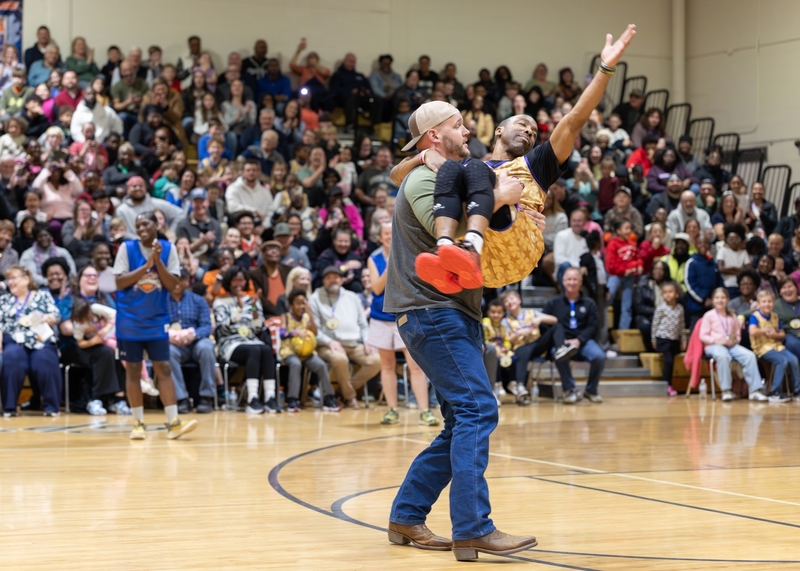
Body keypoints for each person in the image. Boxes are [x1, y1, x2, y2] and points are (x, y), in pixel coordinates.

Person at [384, 26, 635, 559]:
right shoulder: (432, 177)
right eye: (459, 124)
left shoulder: (482, 169)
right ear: (435, 136)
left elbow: (571, 122)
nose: (467, 128)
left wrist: (605, 69)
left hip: (457, 307)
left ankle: (406, 516)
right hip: (431, 308)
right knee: (479, 409)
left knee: (461, 419)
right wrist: (502, 200)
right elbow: (444, 225)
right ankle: (473, 527)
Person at [113, 211, 198, 440]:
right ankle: (138, 423)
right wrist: (146, 266)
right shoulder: (126, 248)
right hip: (129, 319)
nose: (142, 228)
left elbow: (172, 284)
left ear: (156, 224)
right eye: (138, 225)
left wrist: (157, 261)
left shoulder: (168, 249)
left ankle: (173, 422)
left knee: (164, 368)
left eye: (146, 224)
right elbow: (119, 282)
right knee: (133, 370)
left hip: (156, 319)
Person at [367, 221, 437, 426]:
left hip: (404, 315)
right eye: (386, 233)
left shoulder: (407, 252)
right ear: (380, 237)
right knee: (387, 366)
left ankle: (425, 411)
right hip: (381, 317)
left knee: (415, 365)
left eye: (392, 232)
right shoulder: (373, 259)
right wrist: (390, 263)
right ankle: (392, 410)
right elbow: (376, 289)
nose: (390, 236)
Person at [310, 265, 381, 409]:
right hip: (328, 345)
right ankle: (350, 397)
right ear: (323, 281)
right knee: (340, 359)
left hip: (354, 344)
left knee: (377, 360)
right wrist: (329, 341)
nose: (332, 280)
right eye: (328, 278)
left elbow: (363, 324)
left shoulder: (352, 297)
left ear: (342, 280)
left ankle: (342, 392)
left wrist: (367, 340)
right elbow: (314, 329)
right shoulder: (315, 298)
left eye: (336, 277)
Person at [213, 265, 279, 413]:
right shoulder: (220, 301)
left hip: (250, 340)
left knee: (266, 349)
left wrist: (254, 307)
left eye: (241, 280)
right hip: (229, 343)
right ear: (229, 281)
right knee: (254, 350)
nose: (238, 284)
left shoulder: (252, 300)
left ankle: (270, 397)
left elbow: (257, 329)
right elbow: (223, 329)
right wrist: (238, 309)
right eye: (235, 280)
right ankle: (252, 399)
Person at [0, 265, 63, 417]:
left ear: (26, 279)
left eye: (13, 278)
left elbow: (56, 315)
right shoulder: (4, 300)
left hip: (40, 338)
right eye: (8, 279)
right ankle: (9, 407)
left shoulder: (42, 295)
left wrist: (49, 318)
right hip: (14, 340)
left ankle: (51, 407)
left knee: (44, 360)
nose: (10, 282)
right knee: (12, 358)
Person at [543, 267, 605, 404]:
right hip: (562, 343)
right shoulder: (553, 303)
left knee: (599, 356)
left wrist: (579, 340)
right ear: (563, 281)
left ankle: (591, 390)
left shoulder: (589, 303)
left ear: (580, 282)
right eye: (569, 279)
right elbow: (545, 323)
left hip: (583, 342)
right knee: (557, 353)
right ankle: (570, 390)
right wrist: (559, 340)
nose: (572, 282)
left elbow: (593, 326)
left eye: (575, 279)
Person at [700, 288, 768, 402]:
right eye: (717, 298)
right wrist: (718, 341)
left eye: (723, 297)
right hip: (714, 346)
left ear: (728, 300)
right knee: (723, 356)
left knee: (750, 355)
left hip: (731, 346)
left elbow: (737, 334)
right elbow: (703, 336)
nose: (720, 300)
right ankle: (726, 391)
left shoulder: (732, 315)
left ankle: (755, 390)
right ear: (713, 300)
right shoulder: (708, 315)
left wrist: (734, 341)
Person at [279, 288, 341, 412]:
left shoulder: (307, 317)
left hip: (307, 352)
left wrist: (310, 313)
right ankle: (292, 399)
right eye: (298, 303)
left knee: (321, 365)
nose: (301, 306)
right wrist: (295, 332)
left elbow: (315, 332)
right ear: (291, 305)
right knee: (296, 364)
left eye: (303, 303)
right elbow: (281, 334)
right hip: (290, 351)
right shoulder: (285, 317)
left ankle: (328, 397)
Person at [167, 268, 216, 415]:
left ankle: (206, 397)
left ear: (187, 281)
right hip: (174, 343)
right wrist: (170, 337)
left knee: (207, 347)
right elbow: (156, 324)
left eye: (181, 279)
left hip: (196, 342)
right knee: (167, 352)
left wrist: (193, 335)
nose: (177, 283)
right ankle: (181, 398)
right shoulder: (160, 301)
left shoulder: (198, 300)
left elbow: (206, 326)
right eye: (173, 279)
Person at [748, 290, 800, 402]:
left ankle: (797, 391)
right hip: (762, 348)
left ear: (774, 303)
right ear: (759, 303)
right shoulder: (755, 316)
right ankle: (775, 392)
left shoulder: (775, 316)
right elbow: (752, 331)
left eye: (770, 301)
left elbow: (782, 334)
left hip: (776, 345)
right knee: (782, 361)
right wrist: (765, 331)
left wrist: (775, 335)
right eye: (764, 302)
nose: (767, 304)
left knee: (794, 359)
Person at [650, 281, 686, 396]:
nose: (667, 294)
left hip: (674, 340)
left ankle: (669, 383)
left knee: (672, 362)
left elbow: (682, 325)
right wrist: (653, 339)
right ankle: (666, 385)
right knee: (668, 360)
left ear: (677, 294)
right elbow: (655, 324)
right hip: (663, 339)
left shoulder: (680, 308)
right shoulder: (661, 308)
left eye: (670, 292)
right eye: (665, 292)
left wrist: (683, 340)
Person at [606, 219, 643, 329]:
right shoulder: (613, 243)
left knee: (627, 306)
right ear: (618, 230)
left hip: (629, 277)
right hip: (615, 276)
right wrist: (623, 270)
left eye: (630, 228)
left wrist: (639, 265)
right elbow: (610, 264)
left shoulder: (632, 244)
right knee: (608, 298)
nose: (629, 231)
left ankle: (623, 331)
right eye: (626, 228)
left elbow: (638, 257)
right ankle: (604, 327)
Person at [684, 236, 722, 328]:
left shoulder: (713, 263)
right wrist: (704, 299)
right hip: (696, 307)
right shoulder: (691, 262)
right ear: (695, 245)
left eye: (705, 243)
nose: (703, 245)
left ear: (709, 245)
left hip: (713, 306)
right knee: (696, 332)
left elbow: (719, 282)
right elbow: (690, 284)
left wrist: (715, 299)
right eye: (700, 243)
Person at [249, 240, 291, 318]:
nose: (274, 251)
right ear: (263, 255)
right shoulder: (255, 274)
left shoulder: (288, 270)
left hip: (288, 312)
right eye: (269, 249)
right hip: (267, 314)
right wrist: (278, 312)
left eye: (277, 249)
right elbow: (260, 298)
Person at [635, 260, 670, 352]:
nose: (657, 271)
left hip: (666, 316)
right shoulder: (643, 284)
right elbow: (639, 307)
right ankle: (651, 351)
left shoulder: (670, 285)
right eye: (655, 269)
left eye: (661, 269)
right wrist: (657, 311)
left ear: (665, 272)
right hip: (646, 316)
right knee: (646, 328)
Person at [716, 223, 749, 298]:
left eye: (736, 239)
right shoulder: (723, 250)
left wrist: (731, 269)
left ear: (741, 240)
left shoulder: (743, 252)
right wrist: (740, 271)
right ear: (726, 240)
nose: (734, 241)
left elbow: (749, 269)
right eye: (731, 239)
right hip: (727, 284)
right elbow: (721, 269)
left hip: (741, 285)